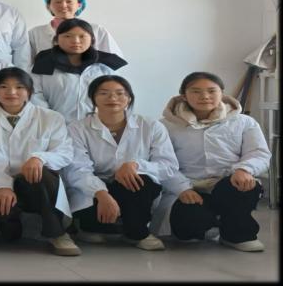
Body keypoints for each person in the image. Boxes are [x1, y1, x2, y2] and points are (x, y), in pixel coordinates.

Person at [153, 72, 271, 252]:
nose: (205, 96)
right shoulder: (165, 126)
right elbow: (162, 162)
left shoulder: (244, 122)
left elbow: (259, 153)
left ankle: (237, 235)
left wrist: (244, 169)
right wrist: (182, 188)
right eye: (196, 91)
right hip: (188, 187)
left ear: (222, 93)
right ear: (183, 96)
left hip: (228, 182)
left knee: (244, 186)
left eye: (211, 91)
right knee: (188, 231)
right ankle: (214, 222)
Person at [0, 67, 80, 256]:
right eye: (3, 87)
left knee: (42, 173)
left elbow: (64, 152)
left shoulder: (51, 118)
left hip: (33, 184)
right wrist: (3, 186)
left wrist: (39, 157)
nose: (11, 92)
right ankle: (9, 220)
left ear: (29, 91)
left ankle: (57, 233)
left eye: (19, 87)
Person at [62, 76, 177, 251]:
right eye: (104, 93)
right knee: (96, 230)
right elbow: (77, 169)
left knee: (138, 180)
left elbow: (168, 165)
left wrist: (136, 165)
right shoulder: (77, 128)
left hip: (133, 189)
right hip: (93, 188)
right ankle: (90, 227)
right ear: (93, 98)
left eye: (120, 93)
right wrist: (101, 193)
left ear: (129, 98)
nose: (112, 98)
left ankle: (137, 233)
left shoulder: (150, 125)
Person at [31, 19, 127, 122]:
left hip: (96, 125)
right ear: (57, 39)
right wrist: (53, 121)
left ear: (92, 39)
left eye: (82, 36)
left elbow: (117, 95)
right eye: (67, 36)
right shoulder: (43, 64)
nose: (76, 41)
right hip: (54, 126)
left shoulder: (105, 66)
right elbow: (35, 95)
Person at [27, 0, 122, 63]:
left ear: (79, 5)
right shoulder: (35, 33)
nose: (63, 5)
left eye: (69, 1)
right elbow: (26, 63)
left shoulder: (97, 30)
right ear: (48, 6)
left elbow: (113, 61)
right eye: (58, 2)